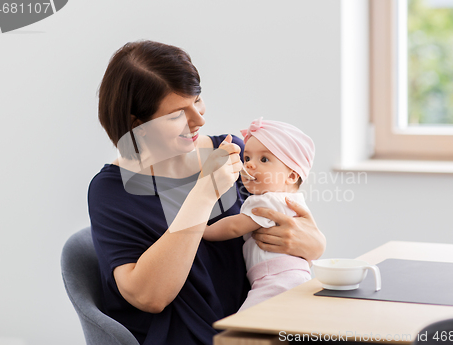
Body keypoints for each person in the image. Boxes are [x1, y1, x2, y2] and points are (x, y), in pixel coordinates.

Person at [88, 40, 326, 345]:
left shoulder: (232, 153)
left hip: (261, 321)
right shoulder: (111, 191)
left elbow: (283, 221)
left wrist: (315, 244)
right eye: (176, 115)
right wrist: (203, 194)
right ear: (138, 125)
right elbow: (150, 297)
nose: (199, 119)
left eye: (197, 101)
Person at [203, 117, 315, 311]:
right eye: (247, 158)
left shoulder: (267, 200)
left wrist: (203, 230)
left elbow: (234, 226)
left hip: (276, 279)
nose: (250, 165)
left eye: (264, 159)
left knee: (243, 328)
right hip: (294, 277)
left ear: (292, 175)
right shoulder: (294, 200)